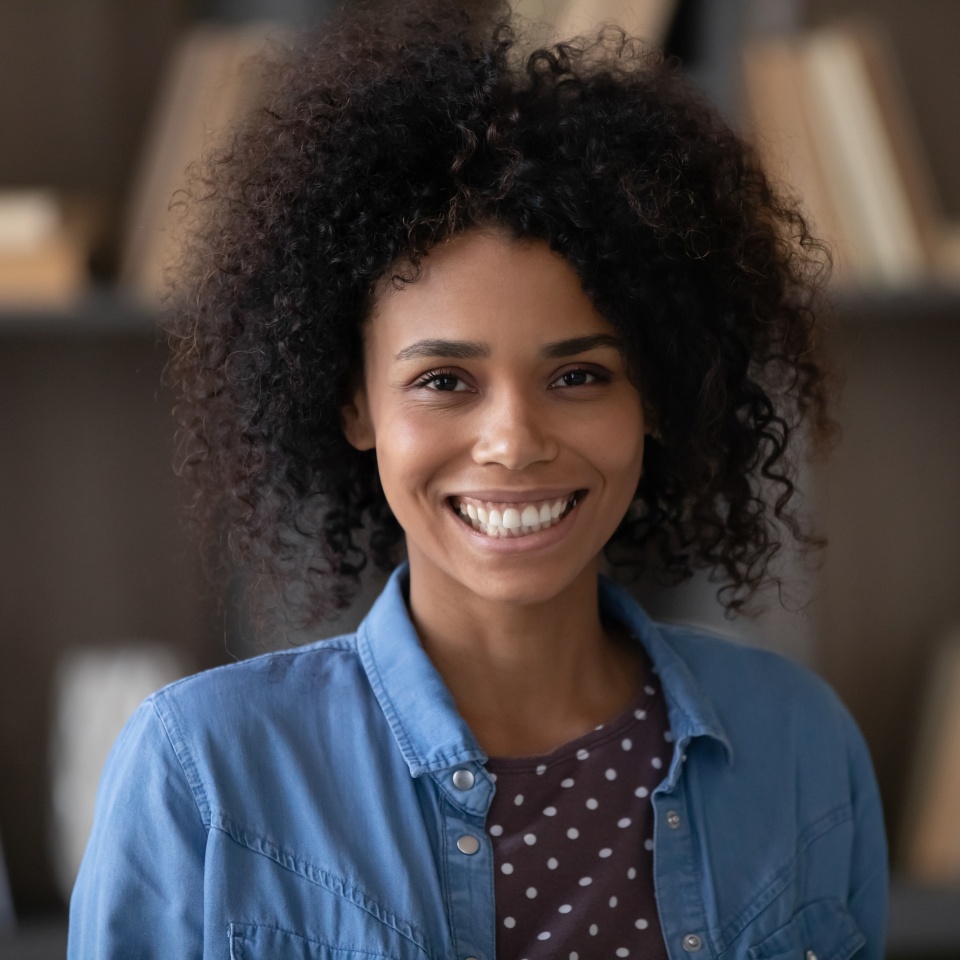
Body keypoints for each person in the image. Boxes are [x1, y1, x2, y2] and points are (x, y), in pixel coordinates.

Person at [68, 3, 888, 958]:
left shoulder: (798, 747)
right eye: (443, 382)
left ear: (658, 395)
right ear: (354, 404)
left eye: (579, 375)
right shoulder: (204, 772)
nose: (512, 440)